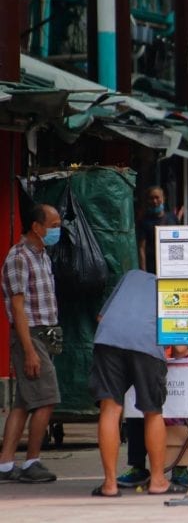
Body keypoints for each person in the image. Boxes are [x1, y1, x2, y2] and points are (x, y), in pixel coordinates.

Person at [89, 269, 188, 497]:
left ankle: (110, 485)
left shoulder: (131, 276)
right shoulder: (177, 288)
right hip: (145, 343)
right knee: (152, 412)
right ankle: (157, 481)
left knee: (110, 409)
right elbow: (181, 348)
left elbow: (101, 317)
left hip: (108, 340)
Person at [121, 186, 185, 489]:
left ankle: (182, 465)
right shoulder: (140, 284)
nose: (156, 202)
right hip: (146, 357)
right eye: (153, 198)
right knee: (139, 409)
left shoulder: (173, 219)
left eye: (160, 197)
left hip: (173, 359)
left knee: (181, 408)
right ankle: (138, 467)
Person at [0, 204, 62, 484]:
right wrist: (28, 351)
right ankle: (31, 462)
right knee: (47, 399)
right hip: (31, 335)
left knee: (23, 402)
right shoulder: (20, 257)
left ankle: (4, 465)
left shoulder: (42, 256)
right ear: (37, 227)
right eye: (53, 224)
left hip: (44, 334)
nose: (57, 229)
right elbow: (17, 306)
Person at [137, 186, 179, 274]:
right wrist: (144, 272)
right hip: (152, 268)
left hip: (172, 266)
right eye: (151, 198)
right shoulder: (144, 222)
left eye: (157, 197)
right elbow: (141, 248)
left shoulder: (172, 218)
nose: (154, 201)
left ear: (163, 198)